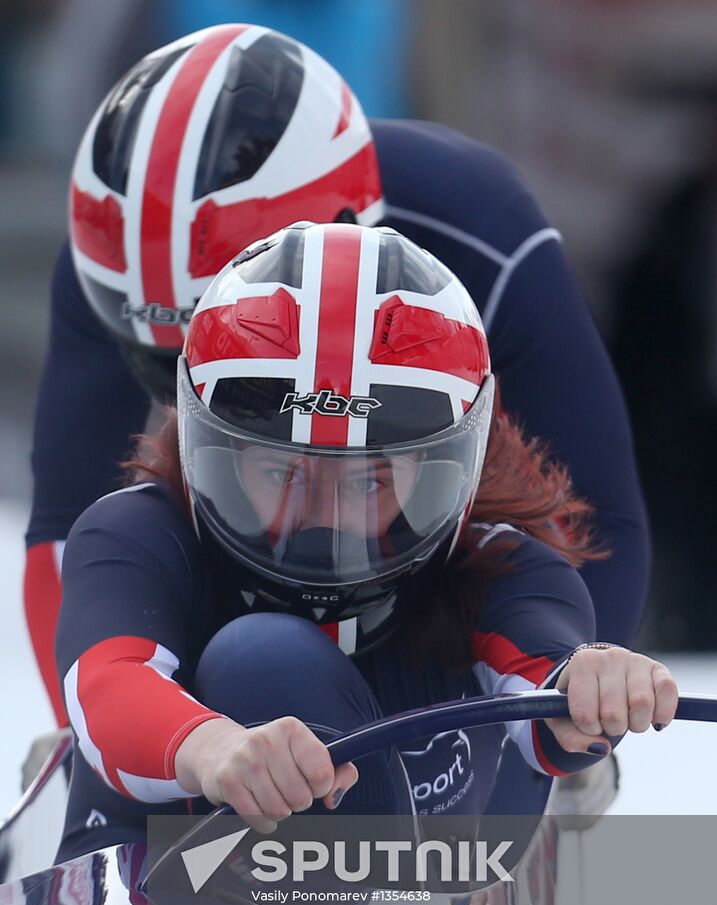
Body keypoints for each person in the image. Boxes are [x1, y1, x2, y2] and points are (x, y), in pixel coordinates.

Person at [25, 24, 649, 739]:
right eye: (160, 352)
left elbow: (595, 513)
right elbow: (64, 528)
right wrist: (88, 728)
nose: (185, 370)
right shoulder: (115, 249)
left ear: (346, 219)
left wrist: (572, 702)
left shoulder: (478, 218)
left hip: (427, 603)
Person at [54, 222, 676, 862]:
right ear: (209, 449)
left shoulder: (503, 569)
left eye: (370, 482)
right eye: (281, 473)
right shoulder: (134, 535)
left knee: (264, 658)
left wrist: (586, 685)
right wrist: (208, 748)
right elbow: (110, 680)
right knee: (263, 658)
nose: (323, 520)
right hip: (165, 890)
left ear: (444, 473)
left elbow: (546, 679)